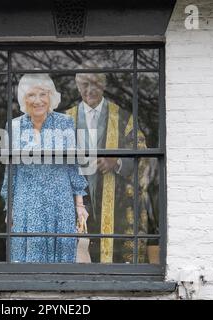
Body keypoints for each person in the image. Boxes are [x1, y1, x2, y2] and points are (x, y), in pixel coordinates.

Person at [65, 71, 158, 264]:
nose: (89, 89)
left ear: (104, 85)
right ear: (77, 86)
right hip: (75, 202)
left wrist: (117, 162)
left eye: (95, 83)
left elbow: (144, 158)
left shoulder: (124, 119)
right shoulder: (65, 120)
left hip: (117, 205)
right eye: (84, 84)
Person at [0, 73, 89, 263]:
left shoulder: (64, 123)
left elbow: (73, 165)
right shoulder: (14, 126)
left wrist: (79, 205)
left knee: (62, 258)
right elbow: (10, 171)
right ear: (24, 99)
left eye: (43, 94)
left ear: (51, 97)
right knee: (28, 256)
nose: (38, 101)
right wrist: (10, 207)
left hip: (60, 200)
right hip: (26, 201)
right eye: (31, 95)